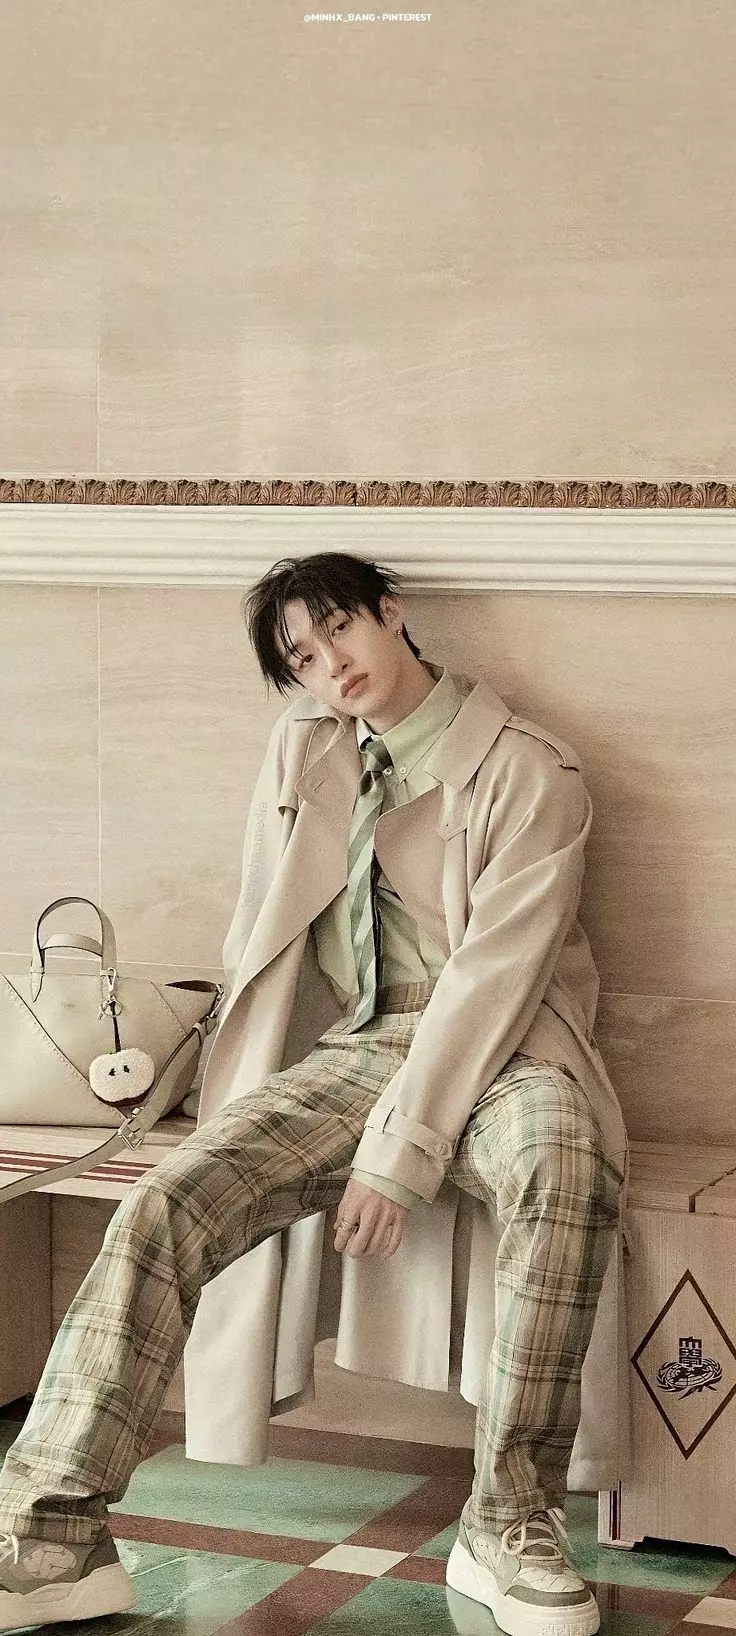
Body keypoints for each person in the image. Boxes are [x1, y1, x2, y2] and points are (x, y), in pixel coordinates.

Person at [0, 552, 627, 1636]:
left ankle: (508, 1520)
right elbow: (263, 925)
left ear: (392, 613)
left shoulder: (531, 769)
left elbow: (495, 979)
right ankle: (55, 1538)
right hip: (363, 1045)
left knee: (564, 1165)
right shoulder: (311, 750)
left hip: (514, 1043)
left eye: (339, 628)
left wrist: (399, 1150)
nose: (329, 664)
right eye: (301, 656)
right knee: (170, 1197)